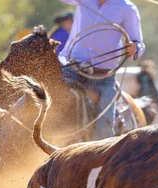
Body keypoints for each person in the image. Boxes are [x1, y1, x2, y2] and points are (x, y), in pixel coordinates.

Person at [58, 0, 145, 140]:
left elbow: (138, 43)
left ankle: (99, 157)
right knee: (44, 97)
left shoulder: (126, 8)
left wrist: (135, 48)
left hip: (103, 77)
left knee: (104, 130)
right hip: (71, 68)